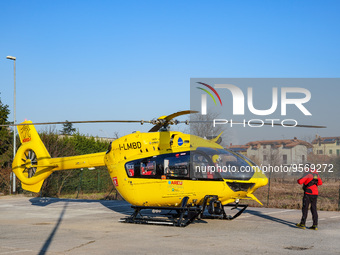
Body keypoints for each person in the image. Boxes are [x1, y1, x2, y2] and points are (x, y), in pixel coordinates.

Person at [296, 163, 322, 230]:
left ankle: (302, 224)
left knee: (305, 208)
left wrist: (298, 180)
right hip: (315, 194)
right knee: (314, 209)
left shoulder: (307, 174)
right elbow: (320, 183)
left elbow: (300, 182)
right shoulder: (316, 174)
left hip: (308, 193)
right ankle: (315, 225)